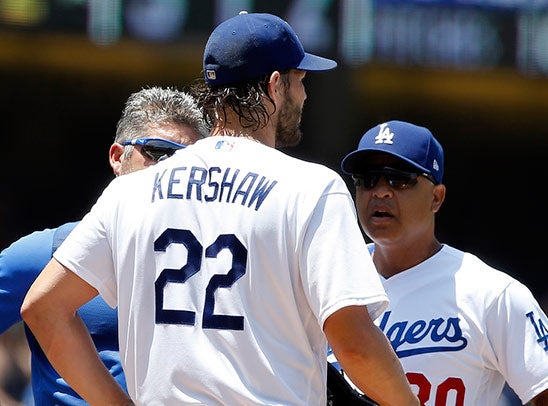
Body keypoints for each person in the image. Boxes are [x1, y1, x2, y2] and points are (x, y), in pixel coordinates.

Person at [21, 12, 419, 406]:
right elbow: (355, 347)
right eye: (300, 81)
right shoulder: (312, 188)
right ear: (275, 86)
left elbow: (44, 308)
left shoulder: (133, 190)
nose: (305, 95)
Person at [334, 119, 548, 405]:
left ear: (436, 198)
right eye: (367, 179)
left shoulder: (490, 293)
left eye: (398, 178)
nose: (380, 192)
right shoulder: (328, 276)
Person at [0, 85, 207, 405]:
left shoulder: (222, 260)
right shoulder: (53, 252)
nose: (172, 169)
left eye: (189, 160)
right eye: (157, 152)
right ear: (117, 157)